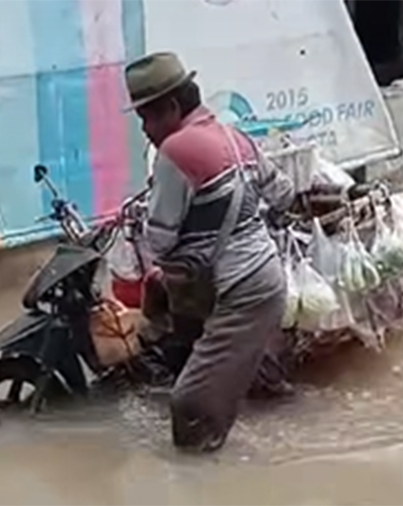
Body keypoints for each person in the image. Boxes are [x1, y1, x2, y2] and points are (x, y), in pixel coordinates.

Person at [123, 52, 296, 452]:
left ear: (170, 107)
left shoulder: (175, 150)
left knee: (190, 403)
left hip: (239, 290)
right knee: (176, 320)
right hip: (263, 276)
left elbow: (160, 241)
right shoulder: (236, 138)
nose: (146, 131)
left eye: (147, 118)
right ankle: (269, 389)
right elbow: (283, 193)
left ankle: (200, 469)